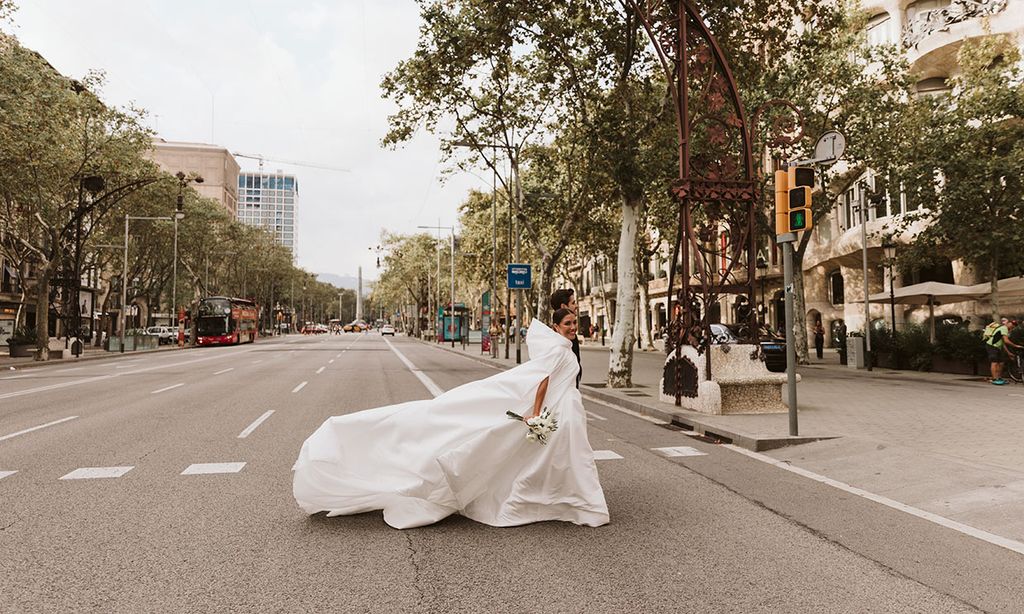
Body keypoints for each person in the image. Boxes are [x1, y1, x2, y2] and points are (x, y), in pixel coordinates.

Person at [292, 310, 609, 529]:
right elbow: (542, 380)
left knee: (562, 456)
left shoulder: (566, 347)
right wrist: (536, 412)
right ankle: (576, 502)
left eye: (573, 322)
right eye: (566, 322)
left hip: (566, 408)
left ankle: (572, 500)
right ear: (556, 326)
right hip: (557, 409)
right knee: (562, 455)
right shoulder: (559, 350)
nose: (571, 326)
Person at [550, 288, 581, 388]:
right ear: (563, 306)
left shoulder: (571, 335)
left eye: (574, 323)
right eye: (573, 303)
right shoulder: (556, 341)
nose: (576, 306)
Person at [986, 317, 1013, 385]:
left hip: (998, 347)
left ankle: (999, 377)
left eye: (1014, 325)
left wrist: (1008, 353)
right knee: (994, 362)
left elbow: (1003, 343)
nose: (1012, 326)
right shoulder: (1004, 328)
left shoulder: (1006, 330)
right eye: (1011, 324)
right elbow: (1006, 341)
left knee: (1001, 362)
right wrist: (1016, 346)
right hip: (991, 345)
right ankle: (995, 379)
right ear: (1008, 323)